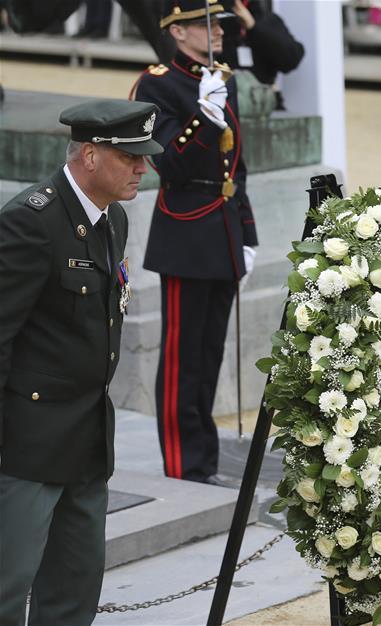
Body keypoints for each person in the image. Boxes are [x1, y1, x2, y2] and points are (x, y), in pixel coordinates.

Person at [0, 98, 161, 626]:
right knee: (7, 586)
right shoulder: (30, 223)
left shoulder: (112, 219)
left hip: (87, 440)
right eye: (130, 157)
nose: (143, 168)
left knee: (74, 592)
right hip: (27, 443)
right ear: (90, 156)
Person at [133, 0, 258, 485]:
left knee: (209, 355)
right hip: (187, 228)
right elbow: (171, 164)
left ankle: (204, 461)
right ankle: (184, 466)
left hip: (222, 229)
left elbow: (237, 167)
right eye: (207, 25)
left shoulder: (221, 79)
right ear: (178, 31)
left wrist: (247, 233)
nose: (220, 33)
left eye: (221, 24)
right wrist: (204, 118)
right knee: (183, 359)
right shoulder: (157, 82)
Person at [219, 0, 304, 109]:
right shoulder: (215, 21)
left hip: (263, 103)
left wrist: (253, 27)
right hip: (224, 105)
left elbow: (291, 59)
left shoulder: (266, 18)